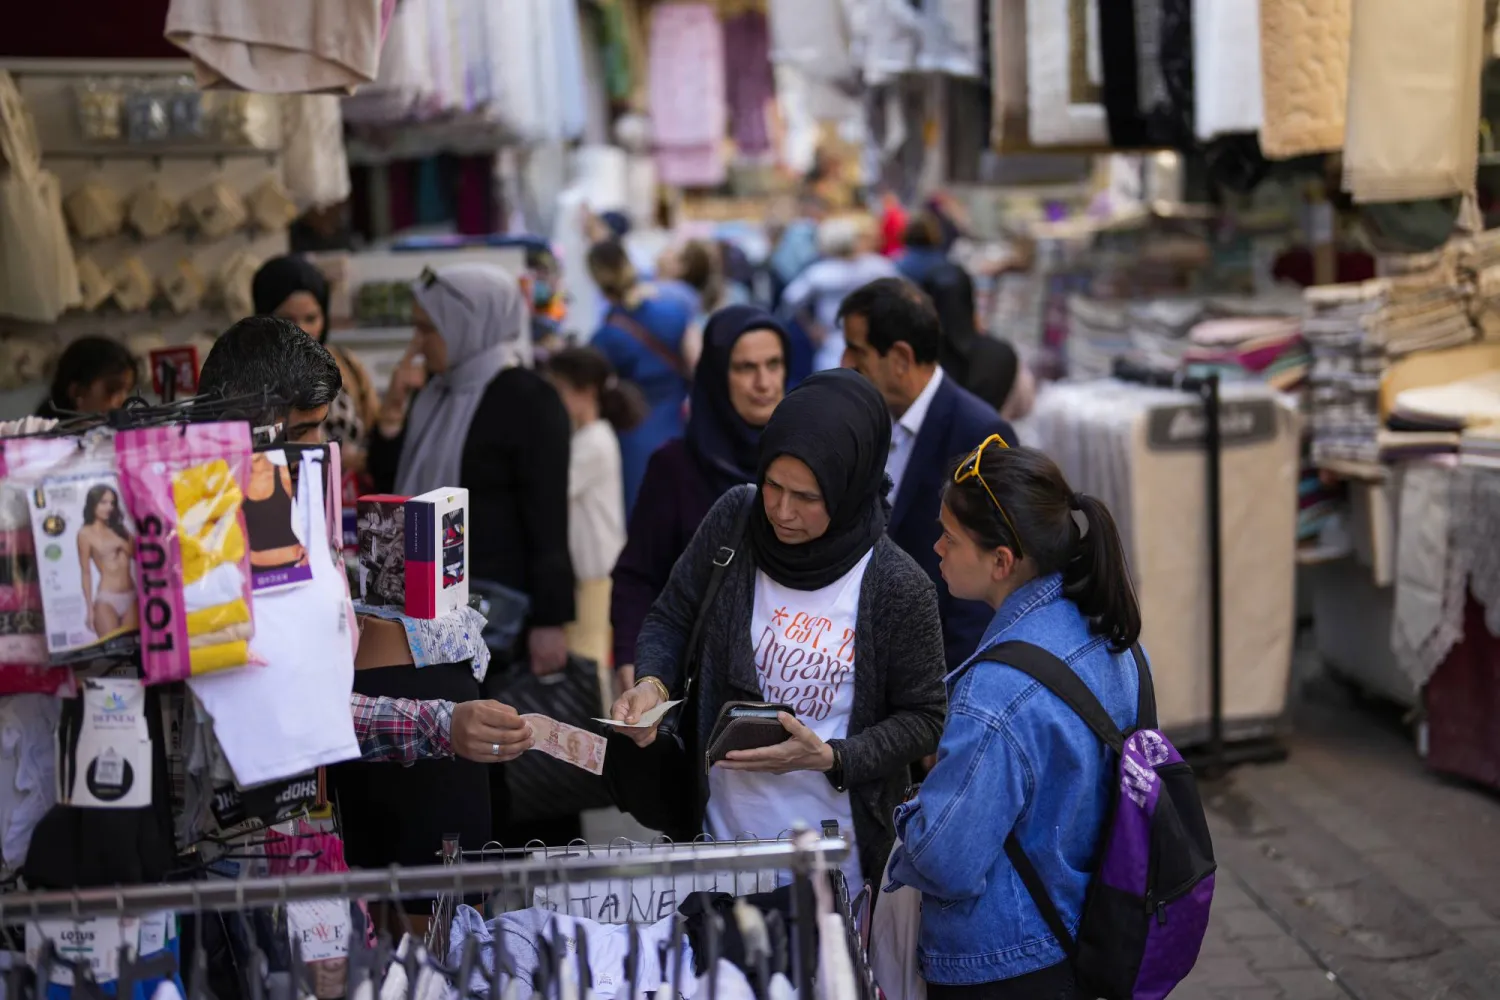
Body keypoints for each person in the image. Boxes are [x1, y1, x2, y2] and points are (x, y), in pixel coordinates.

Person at [610, 369, 948, 887]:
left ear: (850, 488)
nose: (783, 512)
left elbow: (924, 717)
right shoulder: (735, 520)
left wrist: (833, 756)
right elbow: (672, 614)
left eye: (808, 498)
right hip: (717, 844)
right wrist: (652, 683)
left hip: (836, 864)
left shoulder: (898, 585)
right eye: (773, 485)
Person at [197, 316, 535, 767]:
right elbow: (279, 698)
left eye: (321, 430)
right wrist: (438, 724)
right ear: (247, 424)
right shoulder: (205, 533)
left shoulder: (289, 496)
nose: (318, 451)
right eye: (302, 433)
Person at [888, 439, 1146, 1000]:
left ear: (1002, 560)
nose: (936, 548)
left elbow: (946, 860)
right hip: (1088, 935)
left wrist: (910, 811)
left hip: (1003, 966)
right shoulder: (1111, 632)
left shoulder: (997, 691)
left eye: (950, 538)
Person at [368, 264, 575, 681]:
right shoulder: (433, 394)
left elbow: (547, 518)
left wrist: (550, 622)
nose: (418, 344)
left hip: (495, 610)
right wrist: (391, 416)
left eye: (429, 329)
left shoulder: (528, 399)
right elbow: (395, 489)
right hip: (422, 609)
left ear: (468, 325)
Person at [838, 278, 1017, 669]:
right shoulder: (869, 422)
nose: (845, 362)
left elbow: (986, 587)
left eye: (857, 349)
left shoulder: (979, 435)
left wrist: (946, 696)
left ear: (900, 358)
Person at [610, 305, 789, 694]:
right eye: (745, 368)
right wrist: (631, 657)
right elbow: (639, 573)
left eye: (774, 364)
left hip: (796, 682)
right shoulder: (675, 467)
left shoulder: (805, 460)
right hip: (696, 683)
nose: (764, 382)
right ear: (716, 374)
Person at [544, 346, 646, 688]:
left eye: (557, 390)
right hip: (593, 571)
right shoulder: (590, 437)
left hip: (595, 572)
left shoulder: (593, 441)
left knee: (590, 664)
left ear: (585, 392)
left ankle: (597, 738)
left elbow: (553, 489)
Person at [587, 240, 696, 514]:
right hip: (677, 428)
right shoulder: (675, 311)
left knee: (642, 520)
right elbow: (698, 366)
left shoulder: (605, 337)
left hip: (631, 439)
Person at [251, 255, 381, 477]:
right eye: (288, 319)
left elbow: (375, 430)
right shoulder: (248, 375)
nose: (301, 331)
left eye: (311, 318)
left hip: (348, 502)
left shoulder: (345, 364)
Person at [780, 216, 898, 372]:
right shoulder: (875, 266)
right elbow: (900, 291)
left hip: (834, 341)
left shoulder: (821, 272)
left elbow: (790, 298)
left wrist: (810, 326)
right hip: (866, 340)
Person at [77, 485, 137, 639]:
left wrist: (120, 542)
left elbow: (138, 556)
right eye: (103, 502)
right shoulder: (85, 534)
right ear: (93, 504)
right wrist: (89, 609)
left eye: (112, 503)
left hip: (132, 596)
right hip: (107, 599)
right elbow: (85, 572)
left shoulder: (120, 529)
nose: (108, 507)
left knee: (135, 647)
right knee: (112, 648)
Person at [39, 337, 137, 418]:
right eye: (112, 390)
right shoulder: (41, 438)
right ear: (78, 392)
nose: (124, 402)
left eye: (127, 391)